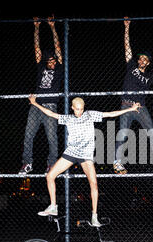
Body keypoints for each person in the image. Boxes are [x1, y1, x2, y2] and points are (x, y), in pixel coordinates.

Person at [28, 94, 142, 226]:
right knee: (50, 176)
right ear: (72, 108)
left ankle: (94, 217)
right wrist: (35, 103)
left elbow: (110, 114)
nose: (79, 112)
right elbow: (50, 113)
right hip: (71, 153)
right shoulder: (68, 118)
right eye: (77, 109)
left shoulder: (90, 115)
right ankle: (53, 206)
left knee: (93, 184)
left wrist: (130, 109)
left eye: (81, 109)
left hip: (86, 156)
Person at [113, 16, 153, 175]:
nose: (142, 60)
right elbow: (127, 47)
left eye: (145, 59)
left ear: (148, 62)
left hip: (141, 107)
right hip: (126, 105)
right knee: (123, 134)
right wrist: (126, 27)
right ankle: (117, 163)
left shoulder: (150, 76)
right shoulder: (131, 66)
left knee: (151, 131)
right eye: (141, 58)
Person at [19, 16, 64, 175]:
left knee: (52, 139)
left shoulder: (58, 69)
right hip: (36, 105)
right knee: (28, 135)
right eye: (50, 61)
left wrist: (52, 27)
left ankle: (51, 165)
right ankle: (27, 163)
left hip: (50, 107)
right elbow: (36, 48)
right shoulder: (41, 67)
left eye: (54, 61)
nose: (52, 63)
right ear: (46, 62)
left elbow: (58, 47)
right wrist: (36, 27)